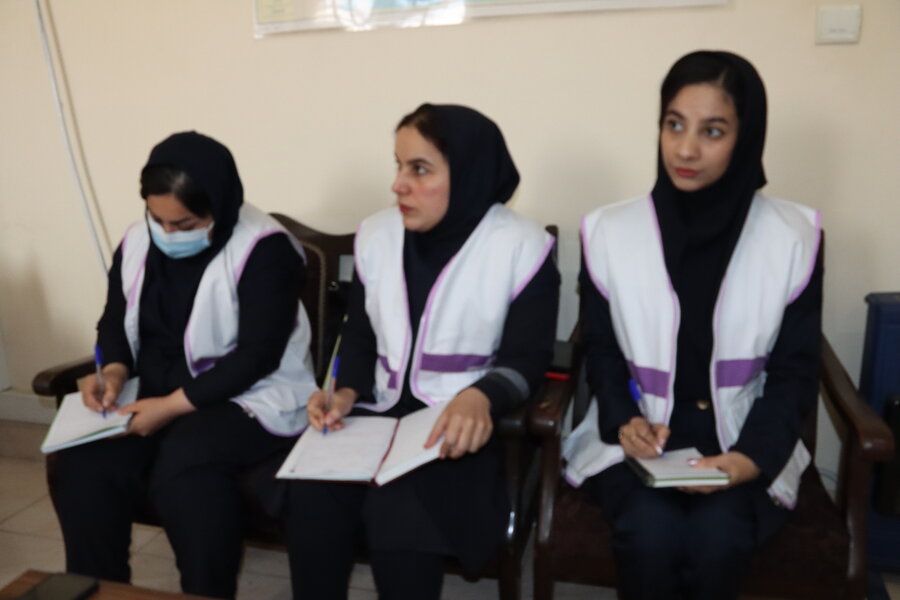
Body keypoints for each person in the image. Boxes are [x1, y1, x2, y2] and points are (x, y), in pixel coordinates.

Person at [563, 51, 823, 600]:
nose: (685, 149)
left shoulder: (792, 236)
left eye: (713, 131)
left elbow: (796, 370)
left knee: (718, 540)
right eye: (674, 125)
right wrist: (624, 420)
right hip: (641, 441)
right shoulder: (611, 231)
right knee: (650, 535)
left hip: (743, 439)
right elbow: (602, 349)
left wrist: (749, 461)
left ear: (747, 138)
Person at [285, 103, 560, 600]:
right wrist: (344, 391)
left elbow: (528, 357)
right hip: (376, 417)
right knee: (311, 494)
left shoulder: (521, 246)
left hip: (456, 428)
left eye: (419, 169)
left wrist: (482, 396)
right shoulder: (378, 235)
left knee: (401, 514)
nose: (398, 184)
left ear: (469, 173)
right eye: (399, 165)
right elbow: (360, 331)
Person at [49, 131, 318, 599]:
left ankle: (205, 592)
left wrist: (171, 407)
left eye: (185, 223)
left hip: (248, 393)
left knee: (187, 464)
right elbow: (115, 317)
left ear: (221, 206)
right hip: (153, 387)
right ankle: (102, 590)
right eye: (158, 220)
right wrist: (113, 370)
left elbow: (258, 356)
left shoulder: (264, 249)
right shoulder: (137, 241)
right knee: (83, 460)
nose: (168, 235)